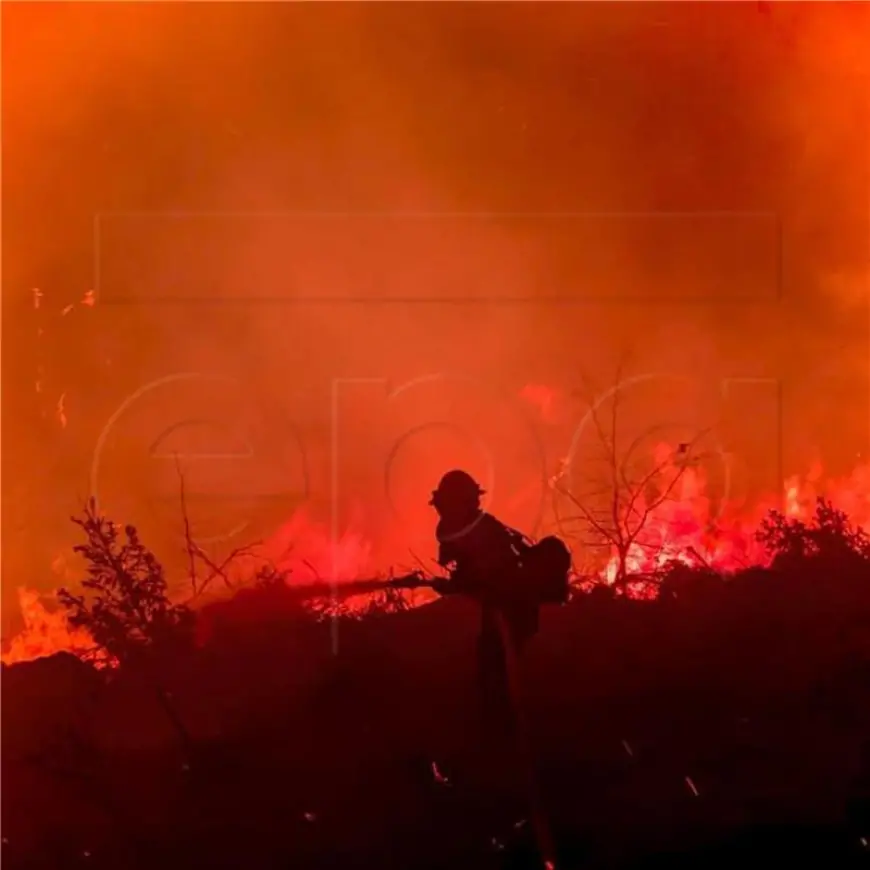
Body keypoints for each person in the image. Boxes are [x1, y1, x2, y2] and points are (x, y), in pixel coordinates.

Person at [428, 469, 539, 735]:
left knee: (501, 674)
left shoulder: (482, 531)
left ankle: (506, 734)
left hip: (510, 608)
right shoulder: (469, 527)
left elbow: (488, 578)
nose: (441, 511)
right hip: (498, 607)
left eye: (445, 504)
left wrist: (452, 586)